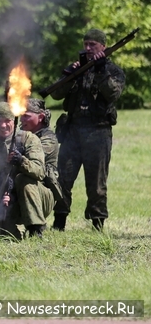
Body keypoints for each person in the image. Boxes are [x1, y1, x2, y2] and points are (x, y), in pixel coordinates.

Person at [50, 29, 125, 232]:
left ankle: (97, 223)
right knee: (62, 179)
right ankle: (59, 221)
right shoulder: (77, 70)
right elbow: (56, 93)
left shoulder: (113, 71)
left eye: (93, 44)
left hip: (98, 132)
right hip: (73, 132)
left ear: (103, 47)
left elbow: (113, 94)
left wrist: (100, 72)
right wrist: (70, 74)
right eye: (86, 44)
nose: (88, 48)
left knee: (96, 183)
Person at [0, 102, 53, 239]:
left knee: (23, 179)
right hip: (8, 201)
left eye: (7, 121)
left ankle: (36, 229)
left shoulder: (29, 139)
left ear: (13, 121)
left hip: (39, 198)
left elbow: (40, 172)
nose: (3, 125)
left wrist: (21, 161)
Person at [20, 98, 64, 207]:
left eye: (26, 116)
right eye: (21, 115)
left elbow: (33, 161)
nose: (22, 120)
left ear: (40, 117)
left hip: (42, 188)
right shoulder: (22, 134)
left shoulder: (48, 140)